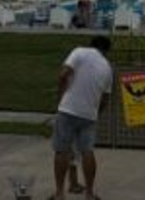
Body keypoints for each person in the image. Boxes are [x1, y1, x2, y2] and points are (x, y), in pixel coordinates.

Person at [51, 36, 113, 200]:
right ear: (106, 51)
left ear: (91, 45)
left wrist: (60, 98)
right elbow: (105, 99)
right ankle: (90, 193)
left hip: (68, 109)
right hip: (89, 115)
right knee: (87, 152)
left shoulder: (79, 52)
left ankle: (59, 193)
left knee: (61, 150)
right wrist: (95, 113)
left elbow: (63, 75)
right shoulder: (107, 67)